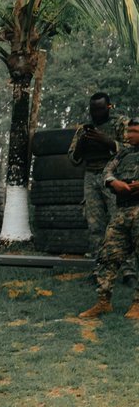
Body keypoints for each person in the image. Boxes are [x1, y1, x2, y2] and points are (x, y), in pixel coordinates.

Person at [68, 92, 132, 280]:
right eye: (92, 110)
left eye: (100, 109)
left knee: (120, 223)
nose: (96, 113)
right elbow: (73, 158)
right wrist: (83, 142)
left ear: (109, 107)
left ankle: (128, 270)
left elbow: (132, 148)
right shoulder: (83, 129)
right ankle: (99, 269)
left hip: (114, 176)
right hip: (91, 176)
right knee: (95, 226)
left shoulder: (121, 123)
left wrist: (107, 141)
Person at [80, 118, 139, 319]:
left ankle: (138, 304)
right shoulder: (124, 153)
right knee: (108, 255)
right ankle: (103, 302)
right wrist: (114, 183)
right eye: (129, 131)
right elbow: (107, 171)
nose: (129, 135)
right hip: (122, 212)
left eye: (134, 132)